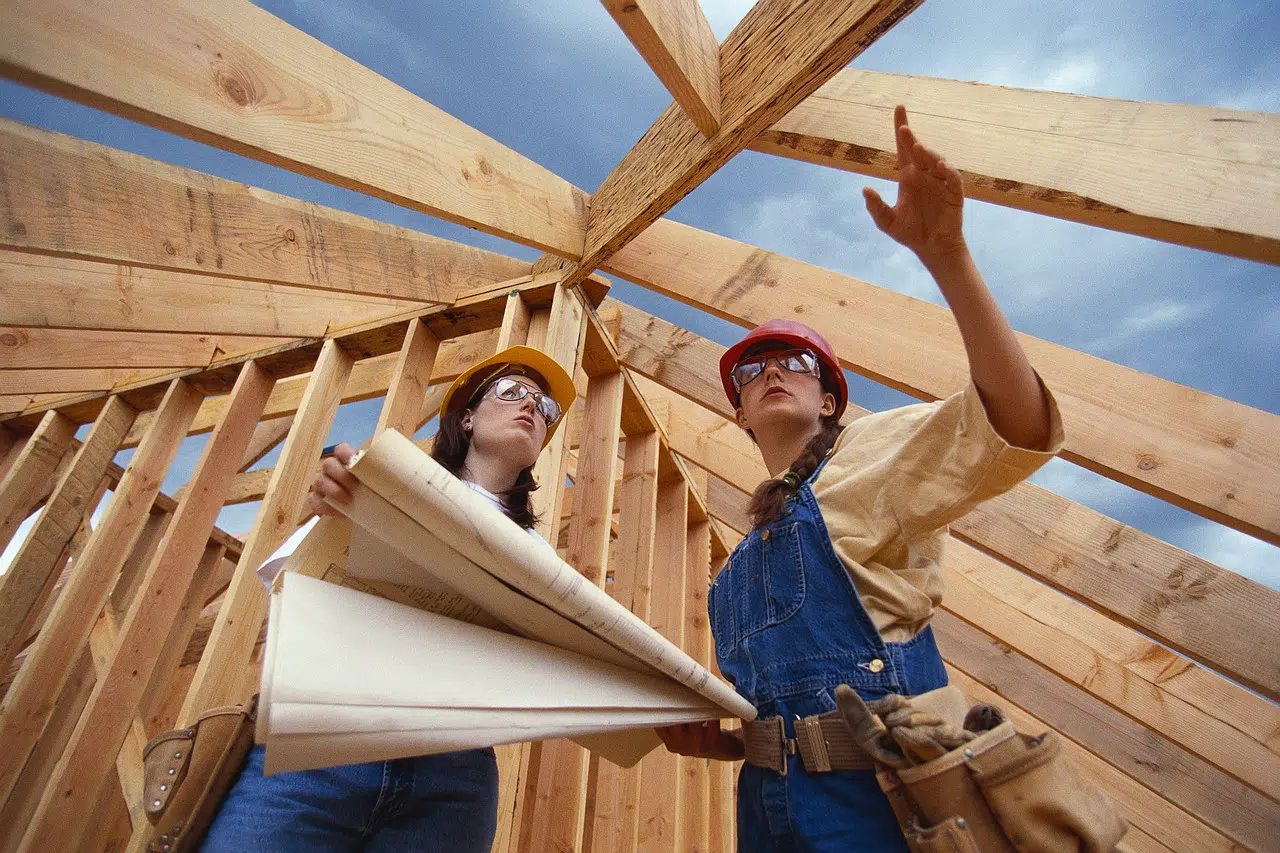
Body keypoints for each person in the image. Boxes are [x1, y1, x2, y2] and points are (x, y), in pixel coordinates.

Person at [656, 105, 1064, 851]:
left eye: (795, 362)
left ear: (831, 398)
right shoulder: (740, 559)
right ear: (742, 413)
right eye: (753, 370)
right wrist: (710, 739)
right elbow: (776, 713)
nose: (772, 369)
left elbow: (1018, 423)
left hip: (881, 805)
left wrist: (949, 258)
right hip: (771, 815)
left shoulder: (871, 455)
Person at [200, 345, 576, 853]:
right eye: (512, 392)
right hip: (323, 742)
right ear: (466, 420)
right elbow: (292, 591)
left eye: (544, 408)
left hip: (453, 778)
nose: (532, 406)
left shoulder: (539, 558)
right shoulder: (384, 488)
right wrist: (336, 519)